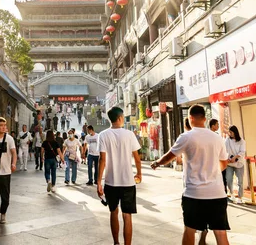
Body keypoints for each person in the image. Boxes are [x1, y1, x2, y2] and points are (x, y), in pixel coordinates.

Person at [151, 104, 230, 245]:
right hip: (217, 193)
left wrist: (157, 163)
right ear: (205, 119)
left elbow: (169, 156)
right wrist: (211, 171)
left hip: (194, 194)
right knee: (220, 232)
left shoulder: (186, 137)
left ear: (190, 118)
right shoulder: (217, 138)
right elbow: (224, 164)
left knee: (190, 230)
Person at [97, 107, 142, 245]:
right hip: (128, 182)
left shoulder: (103, 135)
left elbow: (102, 159)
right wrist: (139, 173)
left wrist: (99, 182)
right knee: (127, 215)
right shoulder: (129, 134)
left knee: (113, 212)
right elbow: (137, 157)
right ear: (121, 118)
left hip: (111, 182)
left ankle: (116, 242)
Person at [225, 125, 246, 204]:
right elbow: (225, 149)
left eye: (231, 132)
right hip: (229, 164)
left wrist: (235, 157)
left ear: (235, 132)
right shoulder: (227, 140)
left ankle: (240, 197)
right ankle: (231, 194)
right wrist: (228, 158)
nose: (230, 134)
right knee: (229, 179)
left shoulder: (242, 141)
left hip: (239, 163)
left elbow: (242, 152)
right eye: (229, 132)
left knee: (240, 181)